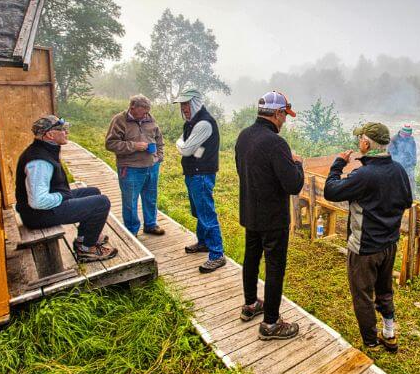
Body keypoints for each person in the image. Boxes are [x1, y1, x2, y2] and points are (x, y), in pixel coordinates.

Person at [324, 122, 412, 352]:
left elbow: (331, 190)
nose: (358, 143)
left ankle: (371, 342)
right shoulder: (399, 170)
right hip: (389, 244)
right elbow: (406, 202)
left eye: (359, 139)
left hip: (364, 249)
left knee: (363, 295)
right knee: (384, 289)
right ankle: (389, 334)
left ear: (365, 143)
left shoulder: (364, 174)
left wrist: (338, 164)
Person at [235, 91, 304, 340]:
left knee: (251, 258)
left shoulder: (244, 136)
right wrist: (297, 163)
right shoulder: (276, 144)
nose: (285, 120)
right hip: (273, 218)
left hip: (250, 212)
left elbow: (242, 171)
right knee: (275, 267)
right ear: (276, 113)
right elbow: (293, 185)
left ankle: (251, 304)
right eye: (284, 115)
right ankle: (271, 323)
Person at [16, 115, 116, 262]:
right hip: (38, 214)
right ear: (50, 135)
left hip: (40, 209)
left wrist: (63, 195)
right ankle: (86, 249)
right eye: (62, 129)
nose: (66, 132)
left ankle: (84, 238)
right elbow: (37, 201)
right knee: (102, 203)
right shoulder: (39, 161)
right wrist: (62, 197)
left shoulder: (44, 150)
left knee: (93, 192)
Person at [175, 89, 226, 273]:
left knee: (206, 213)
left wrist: (188, 147)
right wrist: (188, 147)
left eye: (186, 104)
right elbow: (183, 144)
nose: (184, 108)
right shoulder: (191, 123)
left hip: (202, 174)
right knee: (199, 210)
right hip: (193, 172)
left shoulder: (203, 123)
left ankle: (217, 254)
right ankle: (203, 242)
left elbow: (185, 148)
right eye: (182, 105)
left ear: (195, 102)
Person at [105, 95, 165, 237]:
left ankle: (150, 225)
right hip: (130, 168)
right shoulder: (119, 120)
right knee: (130, 200)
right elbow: (110, 144)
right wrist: (134, 146)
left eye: (147, 111)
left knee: (151, 197)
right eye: (143, 111)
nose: (146, 115)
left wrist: (159, 156)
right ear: (132, 107)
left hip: (151, 166)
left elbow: (159, 140)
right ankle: (132, 231)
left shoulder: (150, 118)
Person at [388, 123, 417, 195]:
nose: (407, 137)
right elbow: (391, 154)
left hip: (409, 166)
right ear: (401, 132)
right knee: (398, 184)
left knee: (411, 184)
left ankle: (412, 197)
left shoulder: (411, 140)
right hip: (397, 167)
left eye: (408, 135)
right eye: (405, 135)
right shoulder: (394, 140)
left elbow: (413, 153)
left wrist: (413, 163)